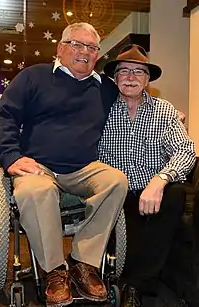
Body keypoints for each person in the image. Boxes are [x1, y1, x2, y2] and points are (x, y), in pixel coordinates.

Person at [0, 23, 128, 306]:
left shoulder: (105, 88)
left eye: (91, 48)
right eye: (77, 44)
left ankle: (83, 263)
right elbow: (4, 116)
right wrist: (11, 157)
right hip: (39, 167)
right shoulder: (34, 77)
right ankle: (54, 270)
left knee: (116, 181)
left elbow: (136, 96)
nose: (85, 52)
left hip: (84, 168)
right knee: (34, 191)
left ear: (97, 55)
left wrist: (170, 112)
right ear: (61, 47)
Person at [98, 44, 196, 306]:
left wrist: (160, 179)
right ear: (115, 77)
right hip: (114, 192)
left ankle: (135, 287)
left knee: (174, 194)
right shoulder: (101, 110)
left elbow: (185, 150)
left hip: (152, 193)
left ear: (148, 79)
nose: (131, 77)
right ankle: (133, 284)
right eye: (124, 71)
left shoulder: (164, 111)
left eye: (139, 72)